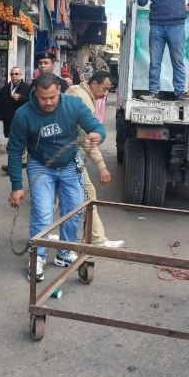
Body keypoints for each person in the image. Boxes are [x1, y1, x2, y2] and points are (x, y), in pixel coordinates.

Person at [8, 72, 105, 282]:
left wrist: (98, 134)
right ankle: (38, 256)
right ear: (35, 93)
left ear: (59, 90)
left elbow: (96, 126)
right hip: (40, 165)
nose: (49, 102)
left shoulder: (74, 105)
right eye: (43, 98)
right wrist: (16, 185)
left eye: (52, 97)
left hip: (70, 164)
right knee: (42, 213)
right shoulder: (23, 115)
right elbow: (14, 151)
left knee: (73, 211)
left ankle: (65, 252)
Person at [68, 71, 125, 248]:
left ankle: (40, 237)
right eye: (105, 88)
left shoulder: (76, 91)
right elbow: (87, 139)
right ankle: (96, 239)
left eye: (109, 90)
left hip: (55, 153)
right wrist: (102, 167)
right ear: (93, 84)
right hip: (66, 155)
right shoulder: (83, 100)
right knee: (88, 194)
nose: (106, 93)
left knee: (51, 200)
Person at [0, 65, 30, 173]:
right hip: (9, 120)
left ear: (21, 75)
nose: (14, 76)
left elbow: (32, 101)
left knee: (16, 144)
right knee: (13, 143)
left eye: (16, 74)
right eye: (12, 74)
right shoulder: (5, 89)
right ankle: (19, 162)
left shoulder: (27, 88)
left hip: (22, 121)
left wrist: (21, 97)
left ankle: (14, 165)